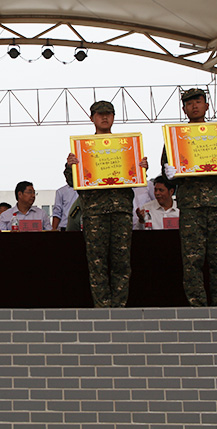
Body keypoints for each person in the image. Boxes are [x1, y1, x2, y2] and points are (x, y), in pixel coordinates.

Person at [163, 88, 217, 306]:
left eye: (198, 102)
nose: (194, 106)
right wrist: (169, 174)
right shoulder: (175, 138)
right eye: (189, 103)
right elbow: (167, 172)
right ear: (184, 109)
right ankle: (198, 306)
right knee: (192, 258)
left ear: (206, 105)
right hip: (191, 205)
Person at [65, 100, 148, 308]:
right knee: (97, 263)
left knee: (121, 262)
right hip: (95, 213)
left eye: (108, 114)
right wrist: (70, 166)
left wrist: (141, 167)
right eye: (100, 114)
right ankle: (103, 309)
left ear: (113, 117)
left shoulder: (127, 146)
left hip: (121, 210)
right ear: (91, 118)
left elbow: (135, 176)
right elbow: (73, 181)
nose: (104, 117)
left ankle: (119, 308)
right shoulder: (82, 149)